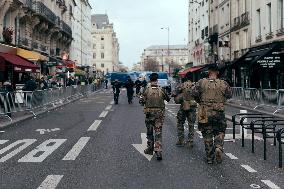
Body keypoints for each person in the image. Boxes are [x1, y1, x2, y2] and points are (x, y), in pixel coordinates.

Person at [192, 64, 232, 164]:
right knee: (219, 131)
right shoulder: (223, 83)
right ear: (217, 72)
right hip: (219, 112)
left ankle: (209, 157)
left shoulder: (201, 82)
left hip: (204, 112)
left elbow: (194, 94)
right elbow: (229, 95)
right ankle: (218, 147)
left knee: (207, 133)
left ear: (208, 72)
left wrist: (201, 102)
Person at [139, 73, 170, 161]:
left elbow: (141, 101)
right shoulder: (162, 89)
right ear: (157, 80)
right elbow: (168, 99)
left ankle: (150, 149)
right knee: (158, 133)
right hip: (159, 115)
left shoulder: (145, 89)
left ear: (150, 80)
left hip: (149, 115)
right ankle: (158, 151)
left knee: (149, 132)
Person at [172, 77, 197, 148]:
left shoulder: (182, 85)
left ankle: (181, 140)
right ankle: (190, 141)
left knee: (180, 123)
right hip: (192, 107)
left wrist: (180, 96)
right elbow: (198, 96)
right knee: (191, 124)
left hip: (183, 107)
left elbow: (174, 93)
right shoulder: (194, 86)